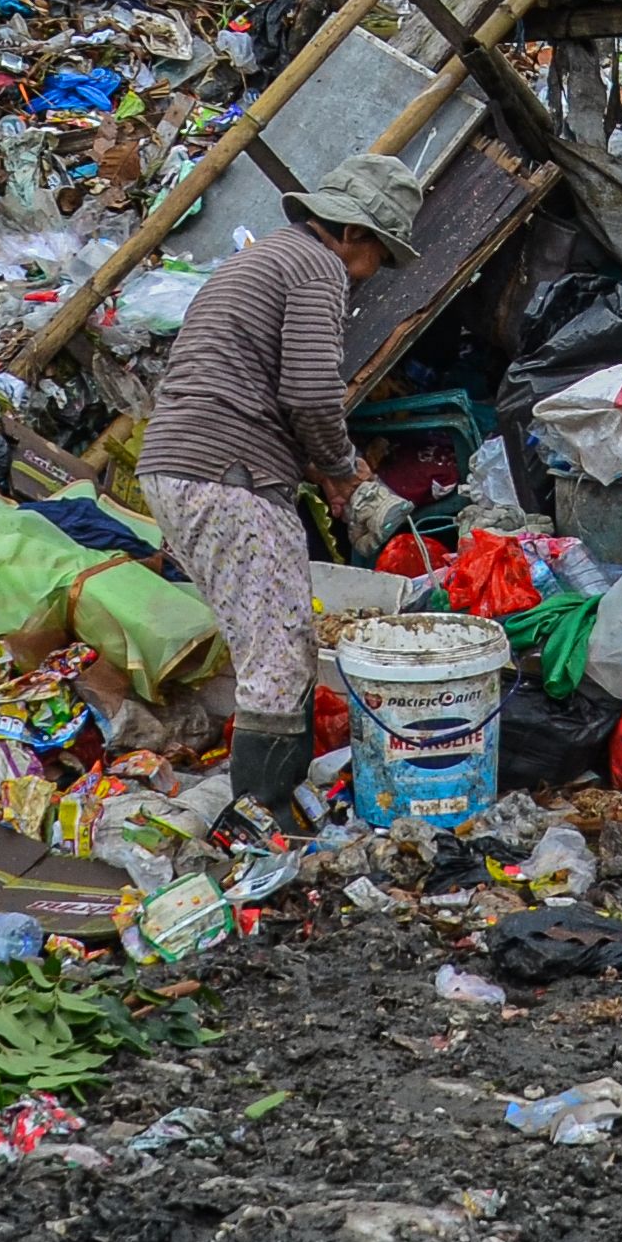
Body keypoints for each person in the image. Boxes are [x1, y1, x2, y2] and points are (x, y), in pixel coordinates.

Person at [140, 155, 425, 817]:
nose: (374, 271)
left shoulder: (267, 258)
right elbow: (311, 394)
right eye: (379, 255)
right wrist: (344, 468)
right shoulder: (319, 267)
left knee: (266, 642)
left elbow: (262, 386)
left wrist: (317, 469)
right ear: (353, 233)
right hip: (224, 473)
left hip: (183, 464)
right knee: (279, 655)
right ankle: (261, 823)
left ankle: (264, 810)